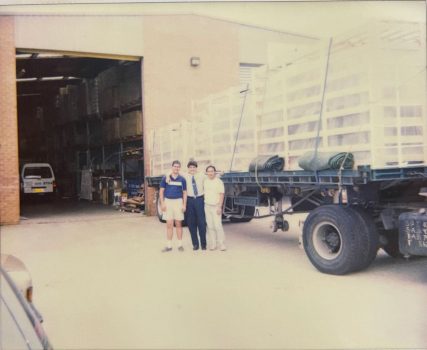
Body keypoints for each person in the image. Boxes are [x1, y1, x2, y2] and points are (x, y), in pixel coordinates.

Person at [159, 160, 187, 252]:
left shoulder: (182, 179)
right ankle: (169, 246)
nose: (176, 168)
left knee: (178, 224)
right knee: (169, 224)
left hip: (178, 202)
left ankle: (180, 245)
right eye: (175, 166)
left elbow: (184, 193)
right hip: (168, 202)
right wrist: (162, 203)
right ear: (172, 167)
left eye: (178, 166)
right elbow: (161, 191)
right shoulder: (165, 178)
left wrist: (184, 204)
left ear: (180, 168)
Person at [185, 160, 207, 251]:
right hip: (189, 200)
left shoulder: (202, 175)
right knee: (191, 223)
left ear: (196, 168)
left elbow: (211, 175)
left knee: (202, 222)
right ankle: (195, 244)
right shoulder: (185, 176)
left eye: (194, 167)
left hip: (199, 199)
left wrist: (220, 174)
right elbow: (172, 171)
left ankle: (203, 244)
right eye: (190, 167)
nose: (192, 169)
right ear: (188, 168)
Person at [204, 165, 226, 251]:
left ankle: (221, 244)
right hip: (207, 206)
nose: (210, 173)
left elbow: (221, 194)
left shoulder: (219, 181)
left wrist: (219, 207)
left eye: (212, 171)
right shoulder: (205, 181)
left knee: (218, 226)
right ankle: (213, 244)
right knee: (210, 226)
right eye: (208, 171)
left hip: (216, 206)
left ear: (214, 172)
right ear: (207, 173)